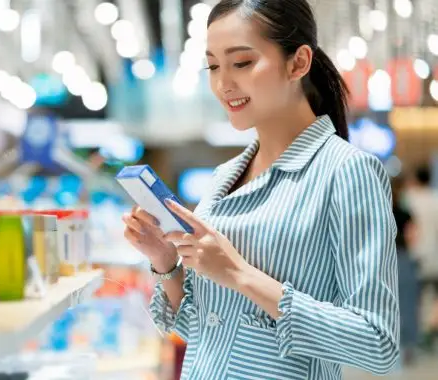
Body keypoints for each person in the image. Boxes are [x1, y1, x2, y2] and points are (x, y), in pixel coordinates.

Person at [122, 0, 399, 378]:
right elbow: (203, 328)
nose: (223, 84)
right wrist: (166, 262)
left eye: (242, 63)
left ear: (298, 63)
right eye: (214, 66)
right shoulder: (224, 177)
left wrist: (240, 274)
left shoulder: (347, 171)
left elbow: (377, 342)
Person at [404, 165, 438, 350]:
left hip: (413, 256)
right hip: (434, 255)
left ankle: (414, 335)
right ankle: (431, 327)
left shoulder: (408, 199)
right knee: (435, 297)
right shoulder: (435, 198)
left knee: (413, 298)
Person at [392, 177, 420, 365]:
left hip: (384, 261)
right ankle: (408, 346)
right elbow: (413, 235)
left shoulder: (380, 210)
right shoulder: (404, 212)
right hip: (402, 258)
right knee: (408, 303)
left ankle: (390, 344)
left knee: (389, 304)